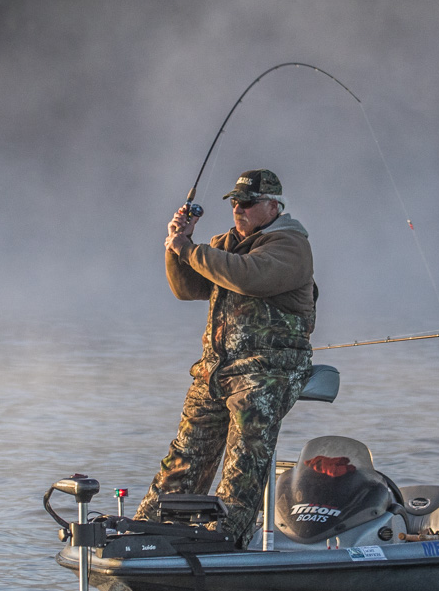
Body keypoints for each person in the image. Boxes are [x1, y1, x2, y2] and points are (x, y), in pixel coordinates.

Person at [134, 169, 316, 546]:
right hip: (217, 370)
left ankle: (227, 536)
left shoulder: (290, 244)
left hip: (269, 370)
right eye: (234, 202)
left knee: (243, 455)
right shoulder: (224, 244)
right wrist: (176, 245)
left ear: (272, 206)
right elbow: (188, 288)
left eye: (247, 203)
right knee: (185, 451)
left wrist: (192, 250)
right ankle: (151, 529)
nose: (238, 209)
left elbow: (248, 276)